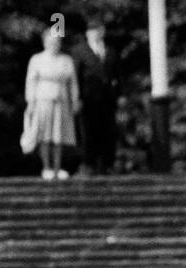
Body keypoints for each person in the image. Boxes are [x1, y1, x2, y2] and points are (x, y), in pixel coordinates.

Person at [24, 25, 80, 180]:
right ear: (44, 42)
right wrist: (30, 102)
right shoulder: (37, 59)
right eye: (51, 42)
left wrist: (75, 100)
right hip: (43, 99)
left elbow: (73, 83)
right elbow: (30, 82)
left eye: (56, 42)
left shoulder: (66, 60)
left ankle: (58, 167)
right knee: (45, 134)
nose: (54, 44)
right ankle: (46, 167)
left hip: (61, 101)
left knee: (59, 134)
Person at [71, 19, 121, 175]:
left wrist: (119, 93)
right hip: (88, 98)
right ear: (87, 34)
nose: (97, 33)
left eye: (99, 30)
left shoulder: (111, 51)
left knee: (108, 131)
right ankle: (88, 163)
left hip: (107, 99)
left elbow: (118, 74)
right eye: (93, 31)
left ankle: (107, 163)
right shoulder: (80, 51)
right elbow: (75, 76)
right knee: (88, 132)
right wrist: (77, 97)